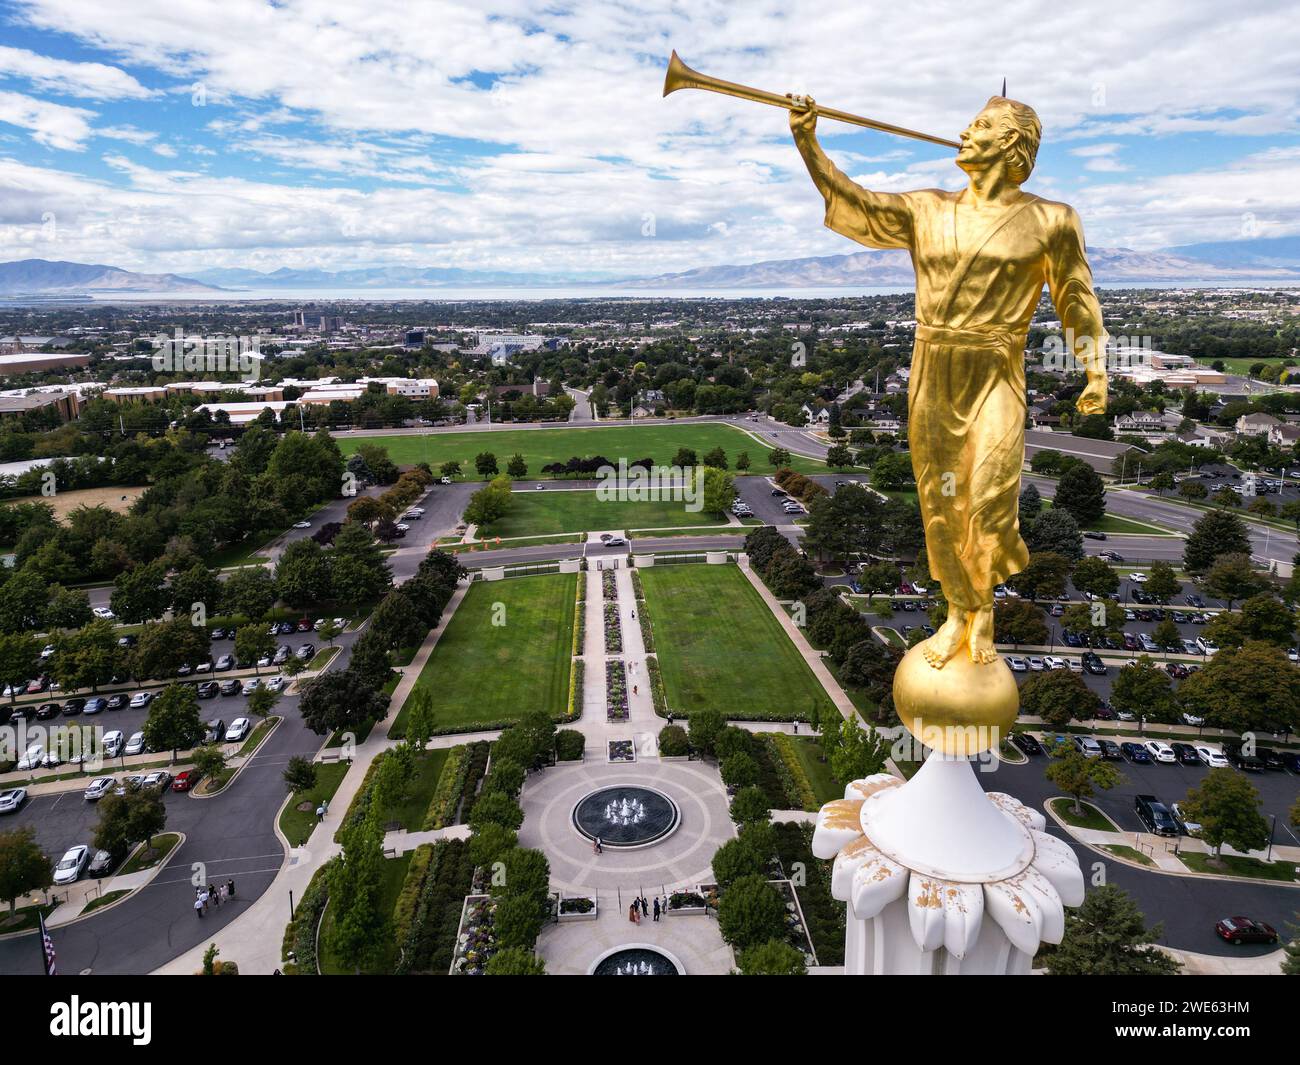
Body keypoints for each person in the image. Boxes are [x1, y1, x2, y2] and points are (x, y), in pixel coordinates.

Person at [790, 90, 1106, 667]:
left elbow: (1076, 297)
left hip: (997, 369)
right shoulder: (926, 208)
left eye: (980, 125)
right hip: (934, 370)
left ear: (1010, 144)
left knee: (989, 498)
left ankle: (982, 609)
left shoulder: (1051, 219)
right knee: (940, 505)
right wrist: (808, 140)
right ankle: (959, 609)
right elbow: (854, 201)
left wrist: (1094, 368)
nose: (964, 132)